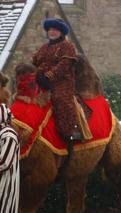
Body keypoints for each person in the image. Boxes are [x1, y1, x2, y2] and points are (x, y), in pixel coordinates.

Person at [32, 18, 81, 153]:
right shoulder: (44, 47)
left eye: (55, 30)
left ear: (61, 32)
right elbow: (35, 61)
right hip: (41, 79)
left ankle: (69, 131)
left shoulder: (68, 46)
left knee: (60, 98)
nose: (52, 32)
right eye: (50, 30)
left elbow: (64, 65)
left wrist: (49, 76)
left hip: (62, 81)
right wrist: (37, 75)